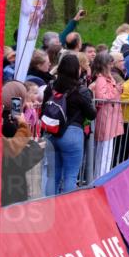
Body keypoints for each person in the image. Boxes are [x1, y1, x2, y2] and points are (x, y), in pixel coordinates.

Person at [42, 53, 96, 195]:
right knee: (70, 176)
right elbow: (91, 114)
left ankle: (49, 207)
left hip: (51, 133)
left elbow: (43, 109)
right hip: (72, 134)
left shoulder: (51, 86)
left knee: (53, 176)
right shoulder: (81, 90)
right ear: (77, 70)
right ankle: (67, 211)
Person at [90, 51, 124, 175]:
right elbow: (102, 97)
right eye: (110, 63)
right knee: (103, 152)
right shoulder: (101, 79)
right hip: (105, 117)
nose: (112, 65)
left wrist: (118, 90)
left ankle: (103, 176)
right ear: (104, 64)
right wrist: (117, 91)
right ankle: (100, 177)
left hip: (110, 117)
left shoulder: (107, 78)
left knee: (107, 151)